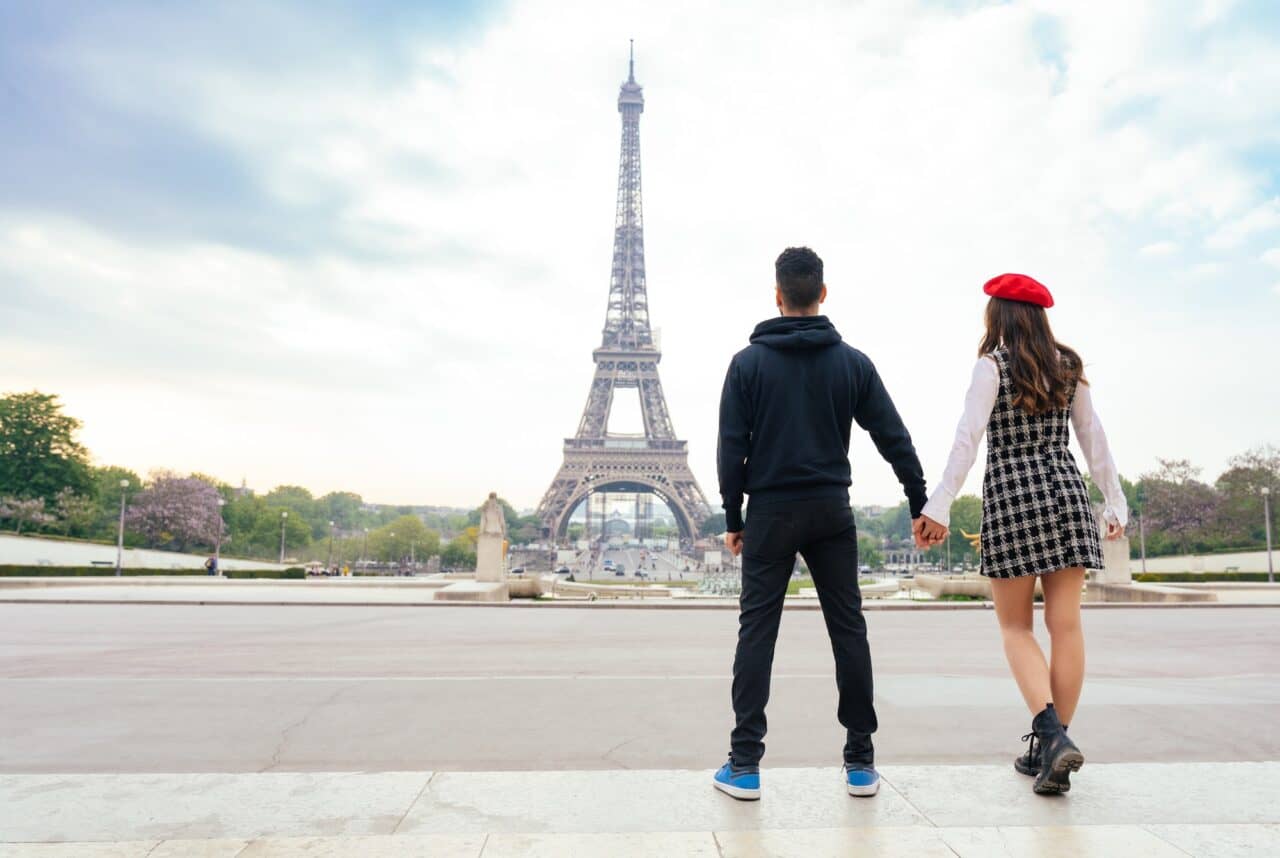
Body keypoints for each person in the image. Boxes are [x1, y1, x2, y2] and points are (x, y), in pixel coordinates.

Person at [713, 246, 929, 801]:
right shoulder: (852, 363)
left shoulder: (747, 364)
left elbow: (731, 448)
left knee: (757, 631)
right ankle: (860, 761)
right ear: (823, 294)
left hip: (770, 512)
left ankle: (744, 763)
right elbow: (892, 436)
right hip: (831, 510)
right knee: (848, 630)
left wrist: (734, 515)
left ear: (778, 295)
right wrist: (918, 499)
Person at [915, 273, 1126, 796]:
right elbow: (1092, 439)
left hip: (1012, 495)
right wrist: (1114, 500)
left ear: (999, 317)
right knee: (1067, 627)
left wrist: (938, 505)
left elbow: (967, 439)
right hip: (1066, 492)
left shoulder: (992, 367)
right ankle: (1053, 745)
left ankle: (1050, 737)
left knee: (1015, 628)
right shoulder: (1068, 366)